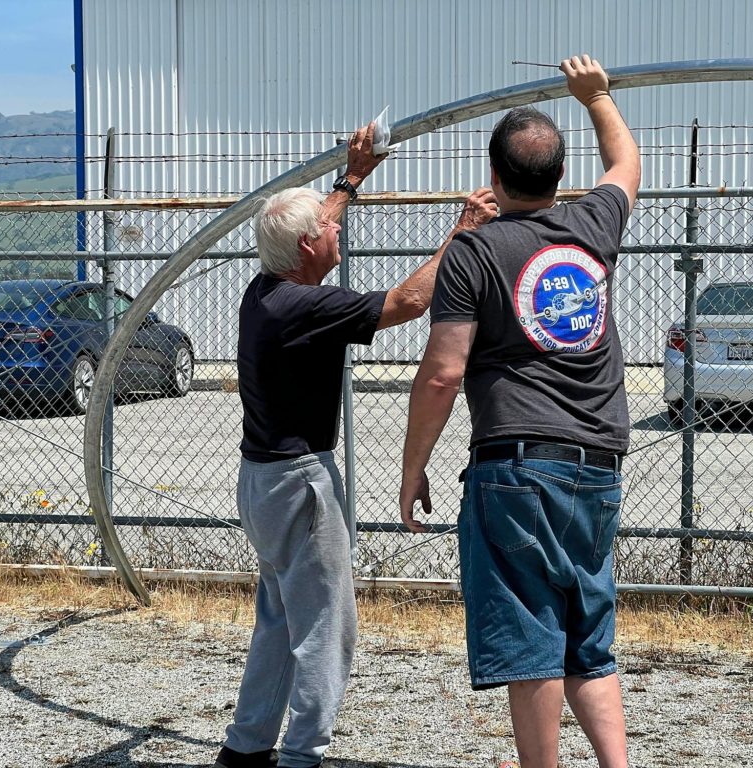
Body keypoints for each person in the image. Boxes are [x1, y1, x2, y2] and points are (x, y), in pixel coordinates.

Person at [216, 121, 497, 768]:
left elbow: (315, 225)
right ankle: (302, 755)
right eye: (330, 228)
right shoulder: (304, 308)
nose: (339, 230)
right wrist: (463, 234)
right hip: (299, 484)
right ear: (310, 246)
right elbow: (406, 302)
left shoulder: (267, 291)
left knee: (280, 618)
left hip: (261, 479)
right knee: (325, 629)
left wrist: (351, 178)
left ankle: (247, 747)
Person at [399, 55, 641, 768]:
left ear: (495, 176)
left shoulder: (474, 251)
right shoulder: (592, 226)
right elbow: (625, 161)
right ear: (560, 179)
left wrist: (413, 470)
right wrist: (596, 96)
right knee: (587, 633)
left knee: (532, 632)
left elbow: (443, 373)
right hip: (598, 465)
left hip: (517, 469)